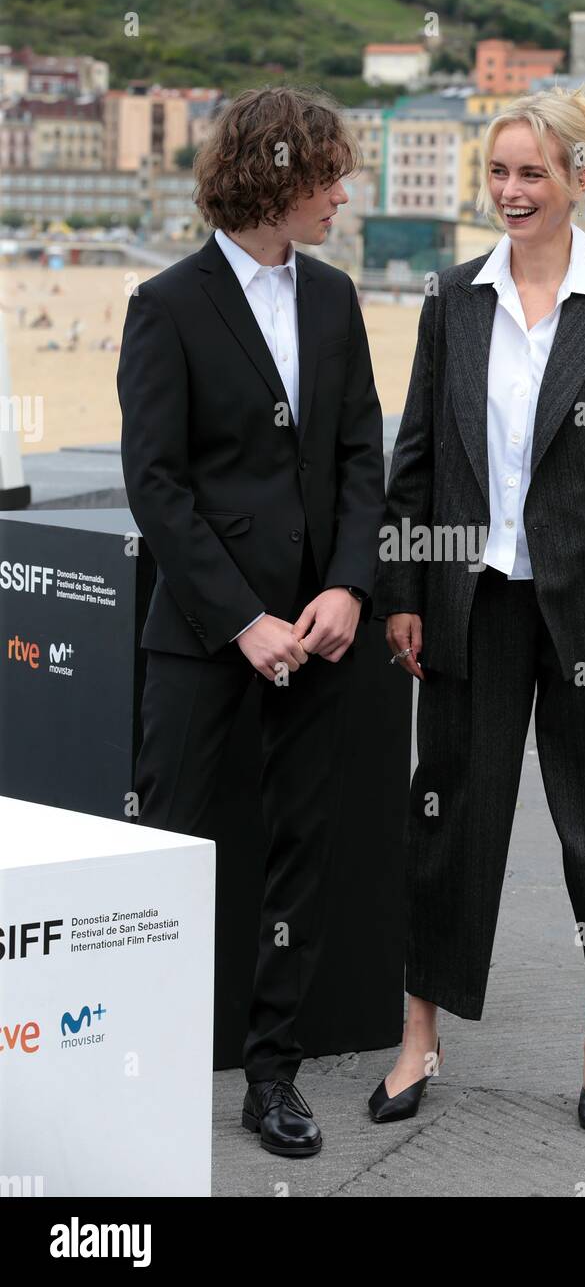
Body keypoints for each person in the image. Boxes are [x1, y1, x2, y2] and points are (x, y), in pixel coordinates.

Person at [370, 85, 585, 1135]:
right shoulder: (449, 297)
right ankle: (417, 1033)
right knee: (446, 825)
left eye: (531, 172)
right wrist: (401, 589)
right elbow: (416, 460)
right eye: (498, 172)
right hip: (471, 603)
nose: (511, 192)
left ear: (577, 176)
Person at [117, 85, 385, 1158]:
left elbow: (364, 455)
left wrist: (348, 585)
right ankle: (141, 1060)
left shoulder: (334, 298)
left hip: (320, 634)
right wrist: (241, 619)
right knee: (168, 851)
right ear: (276, 177)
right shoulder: (166, 304)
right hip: (201, 635)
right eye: (328, 176)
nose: (341, 194)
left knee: (298, 855)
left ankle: (271, 1075)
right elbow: (156, 485)